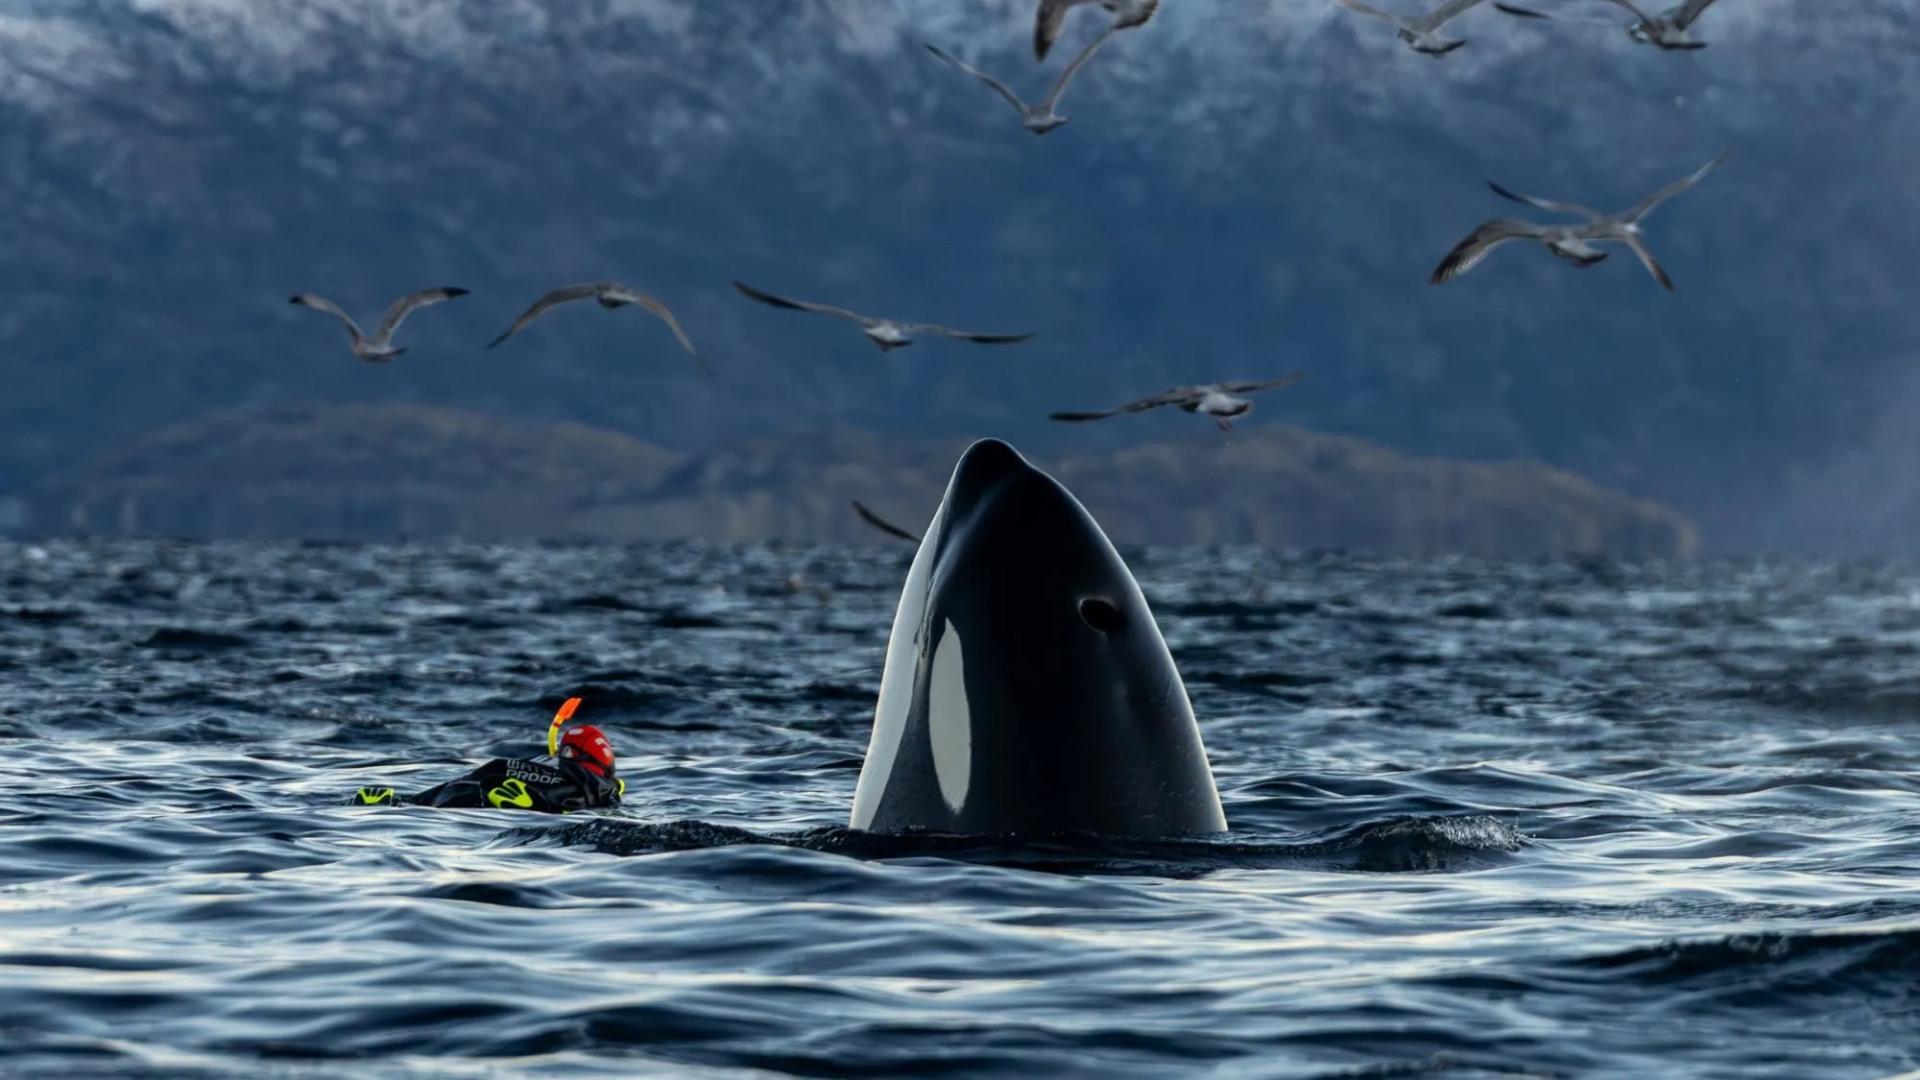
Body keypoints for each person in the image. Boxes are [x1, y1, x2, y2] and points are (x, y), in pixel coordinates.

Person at [350, 698, 624, 813]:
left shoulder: (547, 764)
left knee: (452, 790)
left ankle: (397, 802)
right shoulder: (602, 786)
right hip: (519, 797)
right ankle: (529, 807)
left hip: (478, 785)